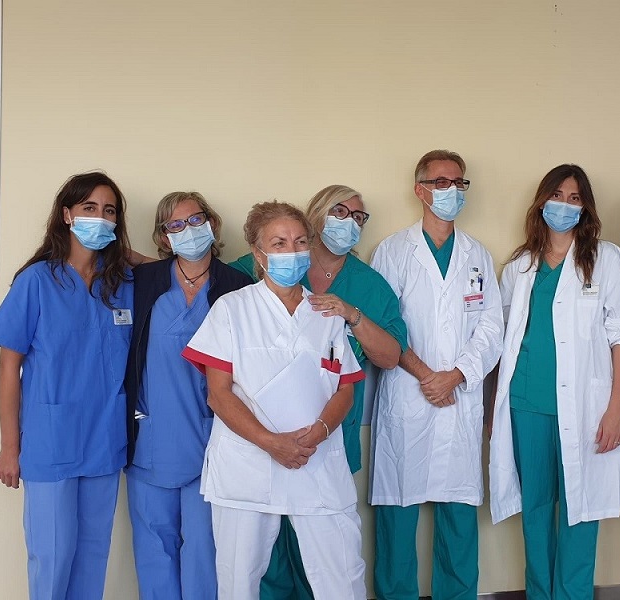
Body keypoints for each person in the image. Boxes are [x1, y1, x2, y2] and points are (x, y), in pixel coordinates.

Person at [229, 186, 408, 600]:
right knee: (268, 555)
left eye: (359, 217)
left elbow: (390, 355)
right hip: (264, 436)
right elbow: (203, 274)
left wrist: (351, 315)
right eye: (340, 212)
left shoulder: (369, 285)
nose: (350, 223)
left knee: (326, 556)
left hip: (329, 433)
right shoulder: (263, 264)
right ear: (316, 217)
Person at [182, 201, 367, 600]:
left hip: (317, 459)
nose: (291, 251)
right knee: (238, 579)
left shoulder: (327, 313)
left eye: (300, 242)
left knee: (344, 574)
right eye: (279, 243)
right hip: (249, 464)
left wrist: (319, 431)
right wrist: (271, 443)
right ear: (258, 252)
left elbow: (345, 389)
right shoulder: (232, 309)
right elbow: (218, 394)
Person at [489, 164, 620, 600]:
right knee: (535, 513)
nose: (565, 206)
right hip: (526, 404)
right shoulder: (520, 266)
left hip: (588, 407)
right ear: (541, 202)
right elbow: (501, 340)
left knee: (580, 510)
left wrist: (616, 407)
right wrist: (491, 411)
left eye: (575, 198)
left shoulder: (606, 259)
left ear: (585, 207)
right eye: (557, 196)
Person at [369, 149, 504, 600]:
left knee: (459, 515)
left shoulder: (477, 254)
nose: (452, 190)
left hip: (458, 396)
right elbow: (382, 325)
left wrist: (458, 375)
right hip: (408, 394)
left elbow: (491, 327)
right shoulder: (393, 251)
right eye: (441, 182)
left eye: (459, 183)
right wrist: (428, 376)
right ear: (420, 190)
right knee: (397, 512)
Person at [0, 172, 134, 599]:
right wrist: (9, 447)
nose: (100, 218)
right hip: (49, 440)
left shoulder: (123, 283)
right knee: (52, 556)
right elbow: (8, 368)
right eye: (89, 208)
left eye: (109, 211)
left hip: (104, 439)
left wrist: (127, 254)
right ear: (67, 215)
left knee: (93, 556)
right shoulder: (37, 281)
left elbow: (170, 268)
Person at [124, 192, 252, 599]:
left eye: (196, 220)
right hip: (152, 438)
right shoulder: (144, 282)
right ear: (163, 237)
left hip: (214, 440)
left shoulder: (238, 286)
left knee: (205, 548)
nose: (188, 230)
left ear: (212, 223)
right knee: (154, 547)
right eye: (175, 225)